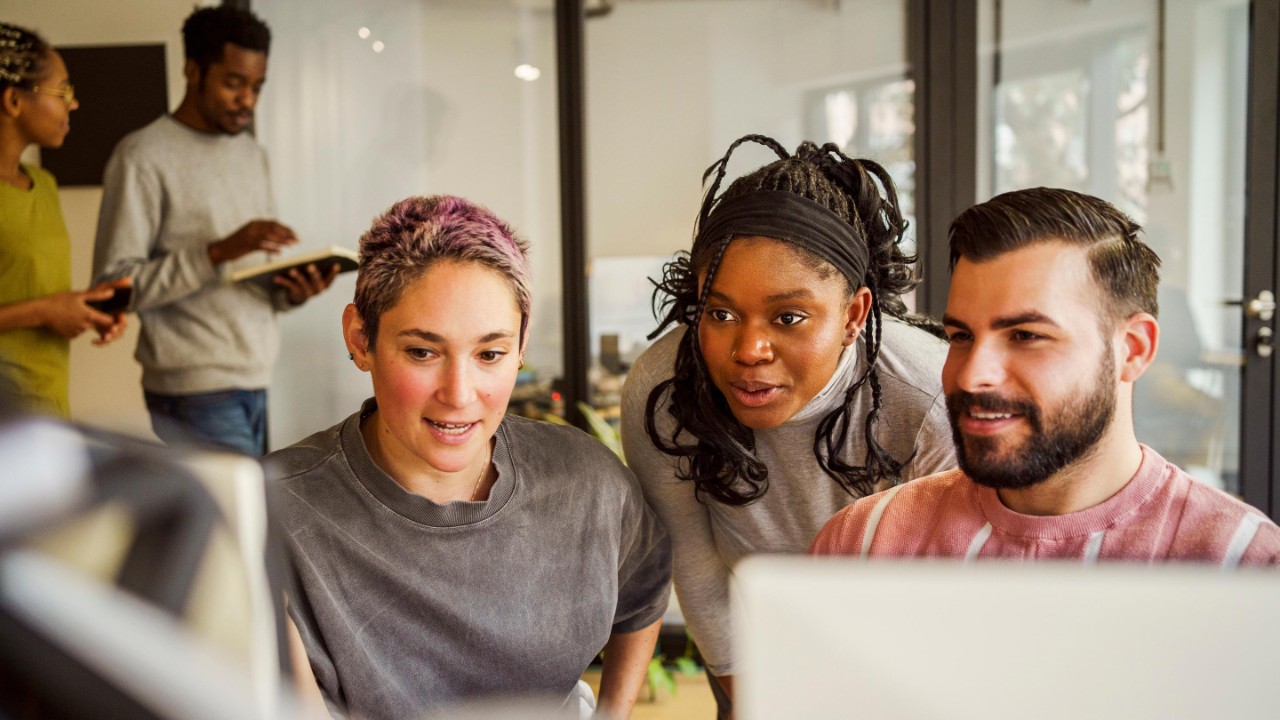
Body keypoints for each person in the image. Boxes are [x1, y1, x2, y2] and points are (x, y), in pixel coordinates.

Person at [267, 195, 672, 719]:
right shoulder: (275, 508)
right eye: (422, 352)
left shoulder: (584, 480)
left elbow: (644, 589)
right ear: (360, 338)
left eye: (490, 354)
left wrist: (613, 713)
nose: (459, 394)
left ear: (522, 343)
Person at [620, 135, 956, 714]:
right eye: (720, 313)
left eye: (789, 317)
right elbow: (697, 571)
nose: (748, 350)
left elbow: (945, 592)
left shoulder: (926, 395)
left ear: (855, 314)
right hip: (752, 648)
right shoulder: (663, 392)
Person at [810, 187, 1280, 564]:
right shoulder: (866, 545)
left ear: (1133, 349)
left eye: (1026, 336)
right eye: (961, 337)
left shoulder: (1241, 565)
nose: (972, 377)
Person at [91, 6, 336, 455]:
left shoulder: (250, 154)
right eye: (233, 82)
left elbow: (244, 280)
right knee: (241, 521)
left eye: (257, 86)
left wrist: (292, 291)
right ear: (192, 70)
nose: (247, 99)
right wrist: (217, 251)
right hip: (193, 389)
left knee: (243, 518)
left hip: (257, 377)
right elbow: (112, 287)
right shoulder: (142, 156)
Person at [0, 22, 128, 418]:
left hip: (49, 410)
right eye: (63, 91)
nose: (73, 104)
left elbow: (33, 288)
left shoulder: (44, 184)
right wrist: (46, 311)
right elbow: (43, 305)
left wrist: (85, 309)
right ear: (14, 101)